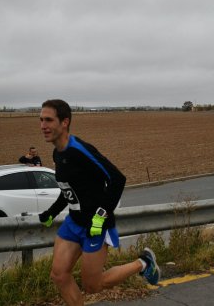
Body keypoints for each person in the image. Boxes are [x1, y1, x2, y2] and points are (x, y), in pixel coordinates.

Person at [38, 99, 159, 306]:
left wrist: (99, 218)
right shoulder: (58, 153)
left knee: (92, 286)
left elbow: (117, 179)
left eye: (48, 120)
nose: (43, 126)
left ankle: (143, 263)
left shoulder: (80, 150)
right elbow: (68, 189)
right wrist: (51, 212)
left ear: (64, 122)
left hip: (95, 226)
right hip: (73, 222)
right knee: (59, 275)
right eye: (41, 120)